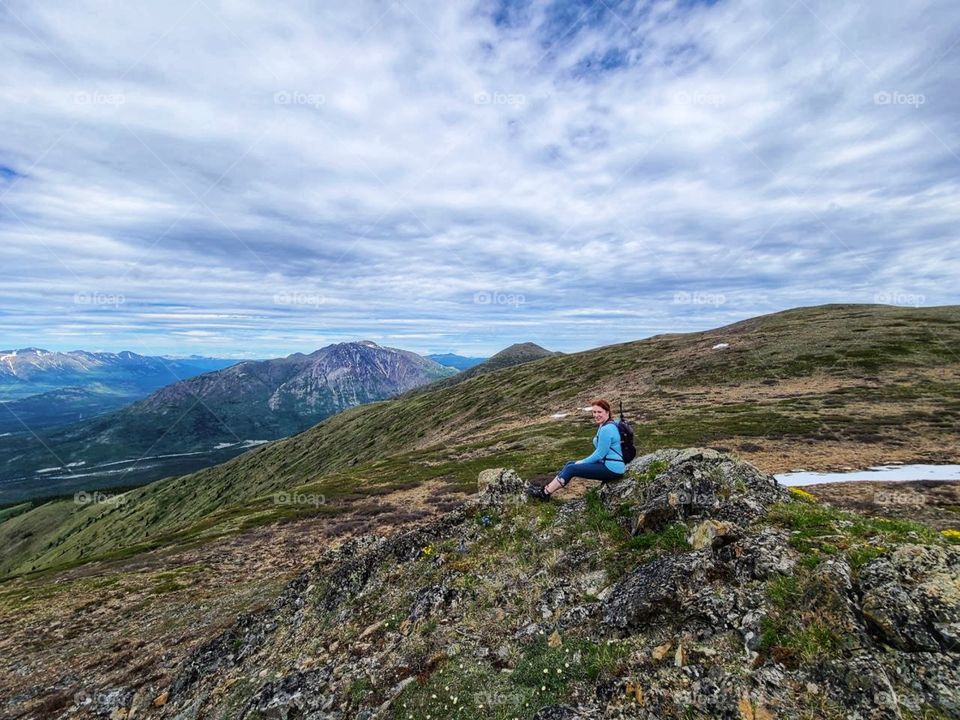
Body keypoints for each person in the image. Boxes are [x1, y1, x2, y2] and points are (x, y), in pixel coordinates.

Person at [527, 398, 626, 501]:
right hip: (609, 464)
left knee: (572, 469)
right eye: (594, 412)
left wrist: (583, 462)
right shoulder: (606, 424)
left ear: (607, 412)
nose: (596, 415)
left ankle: (544, 494)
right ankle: (546, 489)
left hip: (612, 468)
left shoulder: (606, 429)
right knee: (570, 464)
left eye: (599, 412)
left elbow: (600, 454)